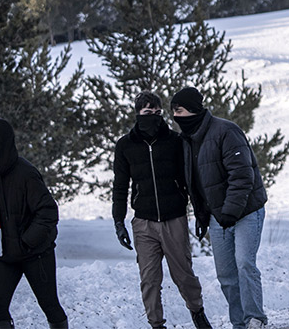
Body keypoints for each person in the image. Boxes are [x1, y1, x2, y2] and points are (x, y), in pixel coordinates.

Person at [171, 86, 269, 329]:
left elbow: (242, 174)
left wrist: (231, 211)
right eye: (173, 112)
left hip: (245, 211)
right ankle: (239, 323)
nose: (176, 117)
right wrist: (203, 216)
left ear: (193, 110)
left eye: (180, 111)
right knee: (226, 275)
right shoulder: (186, 141)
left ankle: (255, 319)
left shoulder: (225, 131)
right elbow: (197, 184)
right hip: (219, 216)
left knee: (245, 263)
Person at [114, 91, 211, 329]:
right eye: (148, 112)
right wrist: (118, 222)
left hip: (174, 218)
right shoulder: (125, 146)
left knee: (184, 274)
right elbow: (119, 186)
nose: (153, 117)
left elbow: (190, 179)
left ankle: (197, 312)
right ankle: (156, 324)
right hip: (143, 223)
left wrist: (199, 213)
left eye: (157, 112)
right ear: (138, 114)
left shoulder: (176, 141)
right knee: (149, 279)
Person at [0, 117, 67, 329]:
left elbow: (48, 211)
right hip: (6, 254)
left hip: (35, 253)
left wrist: (27, 241)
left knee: (49, 305)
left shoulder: (25, 173)